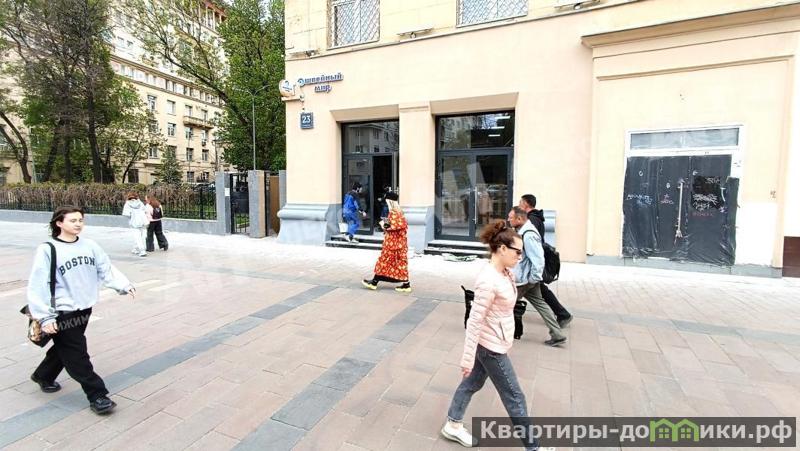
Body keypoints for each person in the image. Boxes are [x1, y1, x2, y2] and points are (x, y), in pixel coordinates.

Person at [27, 206, 136, 415]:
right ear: (59, 223)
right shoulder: (48, 249)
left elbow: (105, 268)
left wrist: (123, 284)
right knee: (77, 353)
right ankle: (97, 395)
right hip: (62, 311)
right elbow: (38, 284)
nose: (78, 224)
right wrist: (46, 317)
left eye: (80, 220)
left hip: (84, 308)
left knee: (66, 346)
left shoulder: (90, 245)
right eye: (73, 220)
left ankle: (43, 375)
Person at [441, 220, 539, 450]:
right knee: (515, 396)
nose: (520, 257)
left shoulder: (504, 273)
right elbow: (474, 321)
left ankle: (453, 424)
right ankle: (533, 447)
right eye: (518, 252)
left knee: (472, 383)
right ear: (502, 249)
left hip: (495, 340)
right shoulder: (488, 280)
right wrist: (467, 358)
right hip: (491, 348)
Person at [508, 207, 567, 346]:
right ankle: (557, 334)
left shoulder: (528, 235)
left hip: (525, 280)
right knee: (541, 304)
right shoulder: (523, 231)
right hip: (527, 278)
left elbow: (538, 259)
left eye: (511, 217)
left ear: (519, 219)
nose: (508, 220)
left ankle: (499, 332)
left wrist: (533, 279)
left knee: (505, 303)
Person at [519, 194, 573, 328]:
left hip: (533, 263)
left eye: (520, 203)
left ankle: (562, 316)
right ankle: (562, 315)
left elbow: (531, 243)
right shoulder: (536, 218)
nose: (519, 206)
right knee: (541, 292)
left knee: (539, 292)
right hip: (534, 262)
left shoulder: (532, 220)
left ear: (526, 204)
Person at [362, 192, 411, 292]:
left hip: (393, 245)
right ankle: (406, 284)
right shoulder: (398, 212)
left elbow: (392, 227)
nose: (386, 203)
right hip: (397, 244)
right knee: (398, 263)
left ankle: (374, 282)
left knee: (384, 262)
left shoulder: (395, 213)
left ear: (390, 201)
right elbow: (395, 226)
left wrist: (382, 224)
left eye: (387, 201)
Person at [122, 191, 149, 257]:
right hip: (143, 221)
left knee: (137, 237)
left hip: (134, 222)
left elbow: (126, 214)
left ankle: (142, 251)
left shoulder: (127, 204)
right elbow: (145, 210)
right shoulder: (140, 203)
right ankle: (135, 248)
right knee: (142, 236)